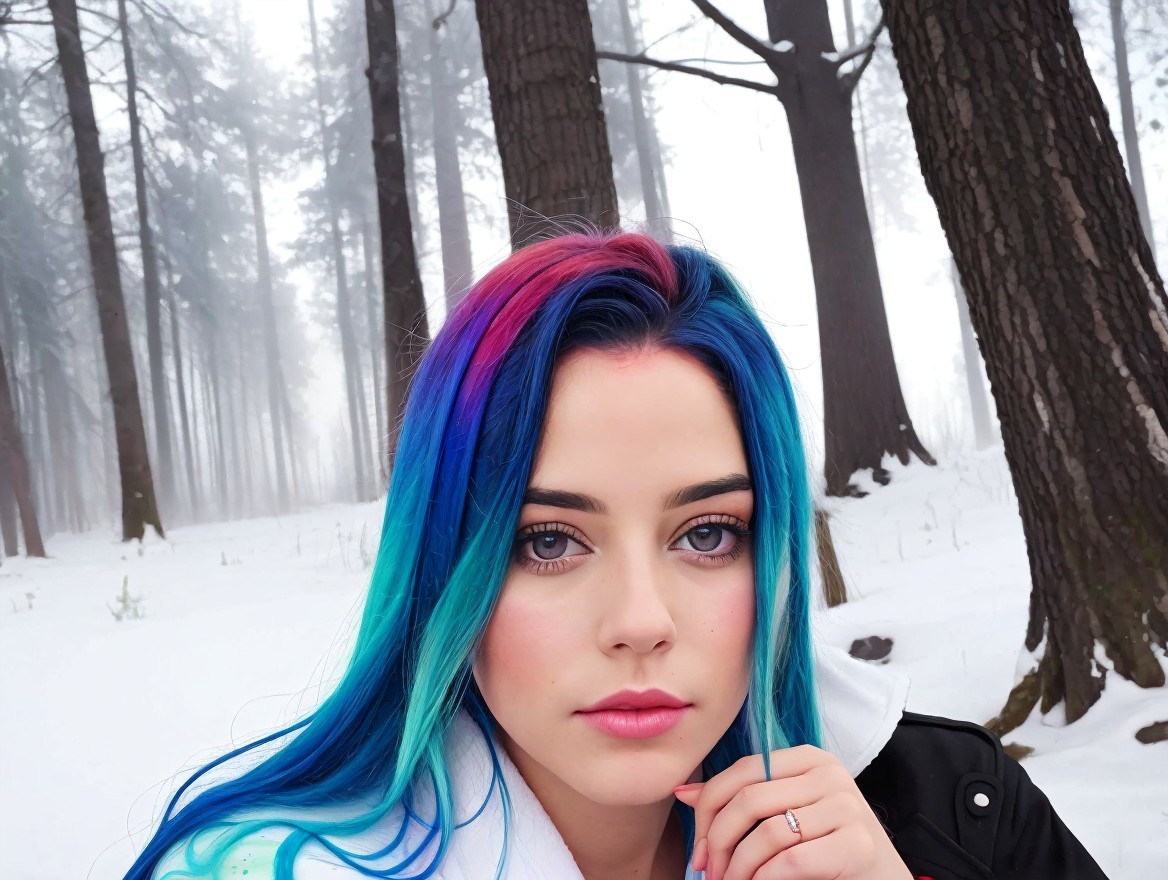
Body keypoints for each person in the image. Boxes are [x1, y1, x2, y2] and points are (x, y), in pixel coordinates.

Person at [126, 231, 1108, 880]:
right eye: (547, 540)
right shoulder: (265, 866)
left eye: (707, 534)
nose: (641, 620)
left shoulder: (957, 812)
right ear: (442, 567)